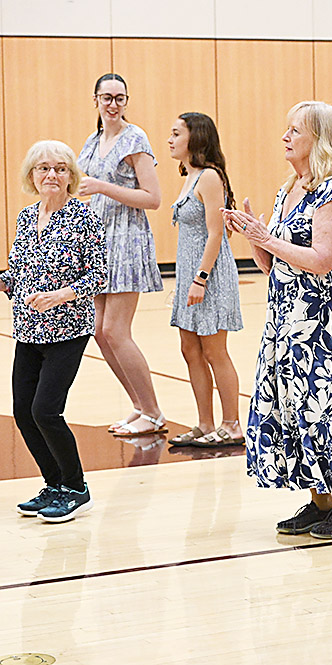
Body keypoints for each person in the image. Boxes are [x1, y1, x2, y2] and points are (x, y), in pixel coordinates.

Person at [224, 101, 332, 540]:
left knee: (323, 406)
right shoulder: (289, 187)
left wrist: (268, 238)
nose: (286, 137)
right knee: (291, 405)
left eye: (295, 130)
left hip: (318, 315)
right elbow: (272, 263)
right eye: (287, 129)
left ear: (319, 139)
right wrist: (255, 236)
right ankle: (320, 500)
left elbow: (323, 261)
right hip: (283, 312)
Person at [3, 140, 107, 522]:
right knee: (23, 412)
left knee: (45, 410)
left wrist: (61, 295)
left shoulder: (83, 217)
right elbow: (18, 271)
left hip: (67, 330)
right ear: (32, 174)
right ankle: (54, 484)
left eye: (60, 169)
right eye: (44, 168)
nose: (52, 175)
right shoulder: (26, 217)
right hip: (27, 330)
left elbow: (100, 275)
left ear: (70, 176)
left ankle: (76, 488)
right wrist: (4, 280)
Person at [77, 73, 165, 437]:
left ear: (126, 101)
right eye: (107, 97)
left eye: (120, 98)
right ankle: (140, 406)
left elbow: (152, 198)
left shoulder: (135, 138)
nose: (113, 104)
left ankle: (154, 412)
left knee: (115, 330)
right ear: (95, 100)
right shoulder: (92, 140)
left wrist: (102, 187)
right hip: (97, 243)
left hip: (126, 240)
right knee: (99, 332)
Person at [165, 112, 244, 448]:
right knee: (190, 350)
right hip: (190, 276)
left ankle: (232, 425)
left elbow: (216, 233)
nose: (170, 140)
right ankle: (204, 423)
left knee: (214, 351)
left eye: (176, 133)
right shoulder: (190, 175)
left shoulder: (210, 177)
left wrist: (200, 278)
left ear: (195, 138)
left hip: (209, 276)